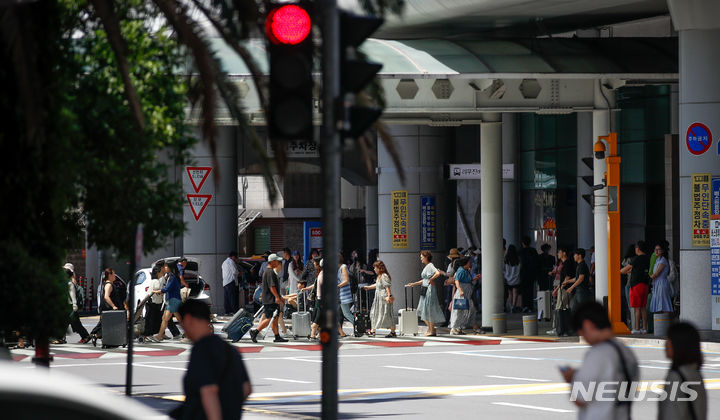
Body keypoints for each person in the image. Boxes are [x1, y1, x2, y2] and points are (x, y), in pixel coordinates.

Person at [561, 300, 639, 420]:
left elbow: (580, 399)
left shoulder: (597, 355)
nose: (585, 339)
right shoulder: (627, 353)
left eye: (582, 333)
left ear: (588, 325)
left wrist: (571, 379)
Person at [177, 299, 251, 420]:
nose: (183, 329)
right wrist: (229, 407)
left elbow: (208, 390)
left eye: (182, 323)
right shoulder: (230, 349)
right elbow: (246, 388)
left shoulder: (201, 349)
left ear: (189, 319)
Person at [659, 322, 707, 420]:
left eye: (669, 340)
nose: (665, 345)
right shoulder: (695, 373)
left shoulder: (676, 377)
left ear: (679, 345)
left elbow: (671, 414)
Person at [249, 254, 288, 343]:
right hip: (270, 299)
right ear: (272, 262)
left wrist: (279, 297)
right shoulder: (270, 272)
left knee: (275, 318)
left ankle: (277, 336)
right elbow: (272, 286)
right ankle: (255, 332)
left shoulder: (269, 271)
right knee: (270, 318)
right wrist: (277, 297)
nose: (278, 263)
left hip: (270, 299)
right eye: (277, 261)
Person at [407, 251, 445, 336]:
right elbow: (424, 280)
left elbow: (437, 273)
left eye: (421, 257)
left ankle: (431, 330)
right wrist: (414, 283)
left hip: (429, 289)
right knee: (422, 309)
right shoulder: (428, 266)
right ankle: (431, 329)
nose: (421, 258)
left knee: (427, 309)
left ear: (426, 257)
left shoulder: (430, 266)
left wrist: (431, 279)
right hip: (425, 288)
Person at [621, 241, 651, 334]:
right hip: (645, 285)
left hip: (636, 285)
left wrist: (622, 271)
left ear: (638, 248)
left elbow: (623, 270)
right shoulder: (647, 258)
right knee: (643, 308)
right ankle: (644, 328)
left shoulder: (636, 259)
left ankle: (637, 328)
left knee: (636, 308)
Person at [90, 268, 121, 346]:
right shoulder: (109, 285)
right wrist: (113, 306)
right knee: (108, 325)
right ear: (110, 275)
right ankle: (95, 335)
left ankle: (95, 335)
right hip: (108, 309)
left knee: (105, 324)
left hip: (106, 309)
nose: (115, 276)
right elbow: (106, 297)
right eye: (113, 274)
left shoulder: (107, 284)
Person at [364, 260, 395, 338]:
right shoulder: (380, 276)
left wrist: (389, 296)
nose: (374, 269)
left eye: (375, 268)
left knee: (387, 314)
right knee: (374, 313)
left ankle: (392, 332)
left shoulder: (384, 275)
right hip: (378, 298)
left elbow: (387, 287)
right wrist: (369, 287)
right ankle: (372, 331)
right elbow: (377, 285)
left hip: (383, 297)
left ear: (379, 268)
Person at [153, 263, 183, 342]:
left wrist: (157, 291)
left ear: (170, 268)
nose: (164, 268)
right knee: (176, 319)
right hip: (173, 300)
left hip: (173, 300)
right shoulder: (171, 277)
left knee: (165, 319)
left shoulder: (173, 278)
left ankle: (159, 336)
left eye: (166, 266)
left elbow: (167, 289)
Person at [63, 265, 90, 344]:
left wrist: (74, 304)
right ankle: (85, 336)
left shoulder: (71, 282)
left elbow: (73, 294)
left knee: (71, 322)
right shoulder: (68, 281)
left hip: (71, 306)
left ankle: (85, 336)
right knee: (74, 323)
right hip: (69, 305)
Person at [449, 257, 476, 335]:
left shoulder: (465, 270)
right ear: (466, 263)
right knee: (459, 310)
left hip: (466, 294)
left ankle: (459, 328)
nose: (470, 264)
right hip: (462, 294)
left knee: (465, 310)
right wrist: (460, 290)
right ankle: (454, 328)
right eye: (469, 262)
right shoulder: (461, 270)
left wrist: (474, 279)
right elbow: (457, 281)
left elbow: (466, 280)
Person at [518, 237, 540, 313]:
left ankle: (525, 306)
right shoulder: (533, 251)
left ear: (523, 243)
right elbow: (537, 263)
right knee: (530, 291)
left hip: (523, 274)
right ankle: (530, 306)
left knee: (524, 291)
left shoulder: (520, 252)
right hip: (531, 274)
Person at [337, 253, 353, 337]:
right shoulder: (337, 268)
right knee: (343, 313)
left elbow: (346, 280)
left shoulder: (343, 267)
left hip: (343, 293)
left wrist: (337, 286)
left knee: (346, 313)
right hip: (339, 294)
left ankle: (358, 326)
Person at [309, 257, 324, 340]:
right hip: (322, 299)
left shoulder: (321, 273)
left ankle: (319, 334)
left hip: (319, 298)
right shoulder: (323, 274)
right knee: (318, 317)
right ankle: (312, 334)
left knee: (321, 316)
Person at [504, 245, 521, 312]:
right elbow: (519, 268)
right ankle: (514, 305)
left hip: (508, 278)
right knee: (515, 292)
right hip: (516, 278)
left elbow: (504, 269)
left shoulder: (506, 259)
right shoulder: (517, 259)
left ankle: (511, 306)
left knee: (510, 293)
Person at [221, 251, 239, 315]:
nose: (236, 259)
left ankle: (227, 311)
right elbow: (234, 272)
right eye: (236, 258)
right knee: (232, 297)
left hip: (225, 282)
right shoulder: (231, 262)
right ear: (233, 256)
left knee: (227, 298)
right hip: (231, 281)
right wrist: (239, 273)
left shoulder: (224, 262)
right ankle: (234, 311)